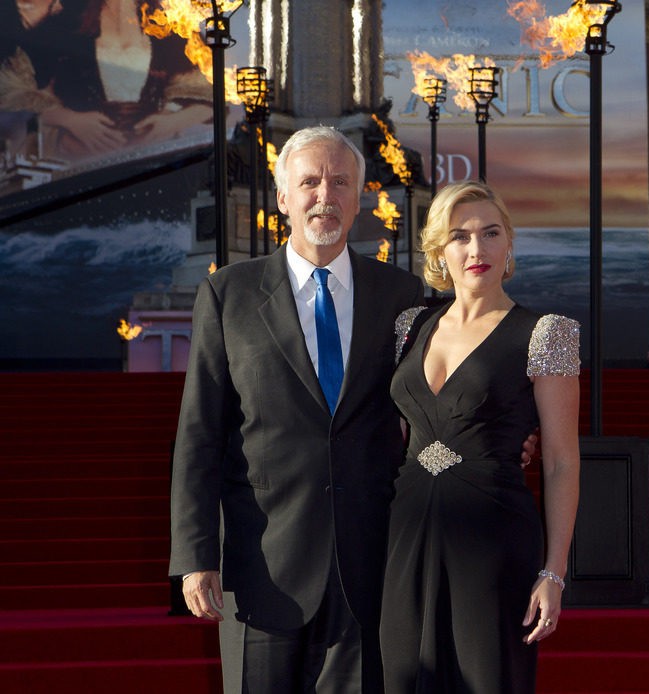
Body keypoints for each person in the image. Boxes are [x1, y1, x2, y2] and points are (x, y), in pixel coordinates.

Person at [169, 125, 426, 693]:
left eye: (339, 182)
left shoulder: (402, 296)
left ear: (359, 198)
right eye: (309, 181)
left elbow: (427, 410)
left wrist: (507, 441)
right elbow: (199, 435)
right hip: (262, 570)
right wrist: (194, 555)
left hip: (371, 567)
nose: (324, 195)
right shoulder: (228, 294)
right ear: (284, 197)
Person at [379, 181, 581, 693]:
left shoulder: (546, 332)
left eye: (491, 233)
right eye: (460, 236)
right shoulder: (410, 326)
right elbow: (397, 429)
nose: (477, 249)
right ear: (439, 252)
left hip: (494, 539)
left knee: (487, 677)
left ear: (509, 243)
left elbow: (559, 460)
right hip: (405, 535)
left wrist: (554, 572)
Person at [0, 0, 212, 161]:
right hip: (79, 162)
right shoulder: (65, 23)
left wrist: (173, 121)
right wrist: (70, 120)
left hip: (156, 162)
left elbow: (212, 96)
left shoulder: (169, 25)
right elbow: (13, 92)